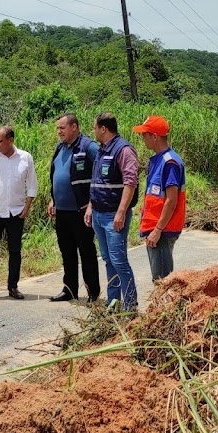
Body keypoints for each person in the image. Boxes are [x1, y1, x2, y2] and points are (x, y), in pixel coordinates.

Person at [85, 112, 140, 311]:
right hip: (99, 214)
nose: (93, 131)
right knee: (108, 260)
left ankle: (131, 305)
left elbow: (130, 182)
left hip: (113, 216)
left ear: (103, 129)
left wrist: (121, 212)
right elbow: (97, 182)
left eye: (95, 127)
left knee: (119, 260)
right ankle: (114, 302)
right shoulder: (101, 150)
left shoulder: (123, 150)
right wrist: (91, 207)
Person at [0, 126, 38, 301]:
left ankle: (13, 286)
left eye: (0, 140)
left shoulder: (25, 158)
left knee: (15, 251)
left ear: (10, 140)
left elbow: (32, 185)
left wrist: (27, 206)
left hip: (16, 212)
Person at [46, 113, 101, 303]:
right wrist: (53, 199)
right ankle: (69, 289)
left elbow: (100, 178)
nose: (59, 131)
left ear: (74, 127)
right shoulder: (60, 148)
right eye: (58, 128)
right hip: (62, 211)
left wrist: (92, 205)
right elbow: (56, 175)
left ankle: (93, 292)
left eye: (62, 128)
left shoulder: (89, 147)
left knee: (86, 251)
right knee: (67, 252)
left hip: (81, 211)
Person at [134, 115, 186, 281]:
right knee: (159, 277)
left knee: (162, 280)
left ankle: (166, 308)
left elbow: (171, 200)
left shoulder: (169, 162)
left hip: (163, 230)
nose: (143, 139)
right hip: (155, 228)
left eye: (145, 135)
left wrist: (157, 230)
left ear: (155, 136)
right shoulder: (157, 160)